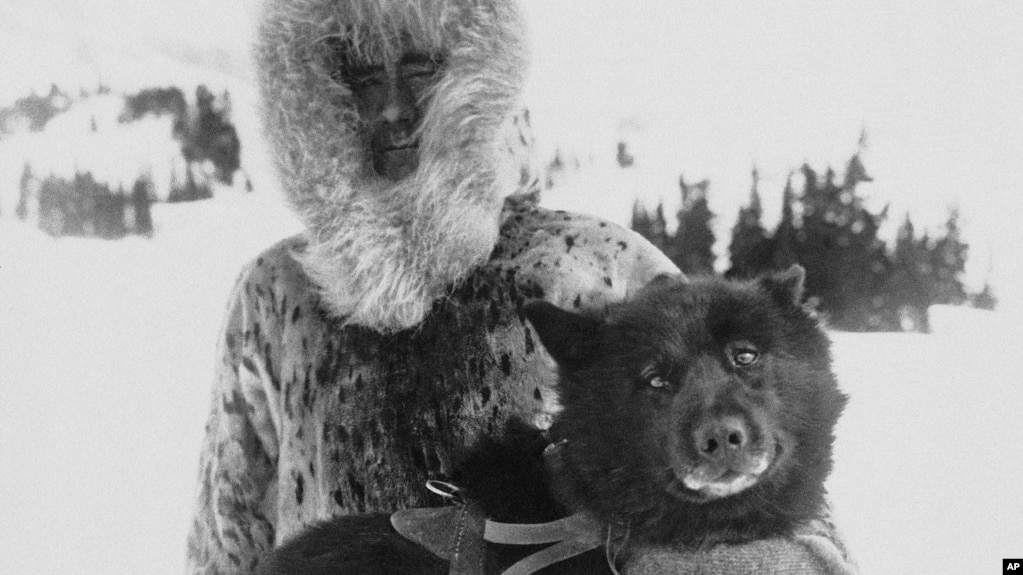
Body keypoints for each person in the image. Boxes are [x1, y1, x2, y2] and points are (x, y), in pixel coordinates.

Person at [186, 0, 855, 573]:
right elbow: (229, 530)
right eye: (361, 82)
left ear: (479, 86)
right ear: (315, 103)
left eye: (420, 71)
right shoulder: (274, 294)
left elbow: (773, 491)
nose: (391, 108)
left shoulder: (592, 261)